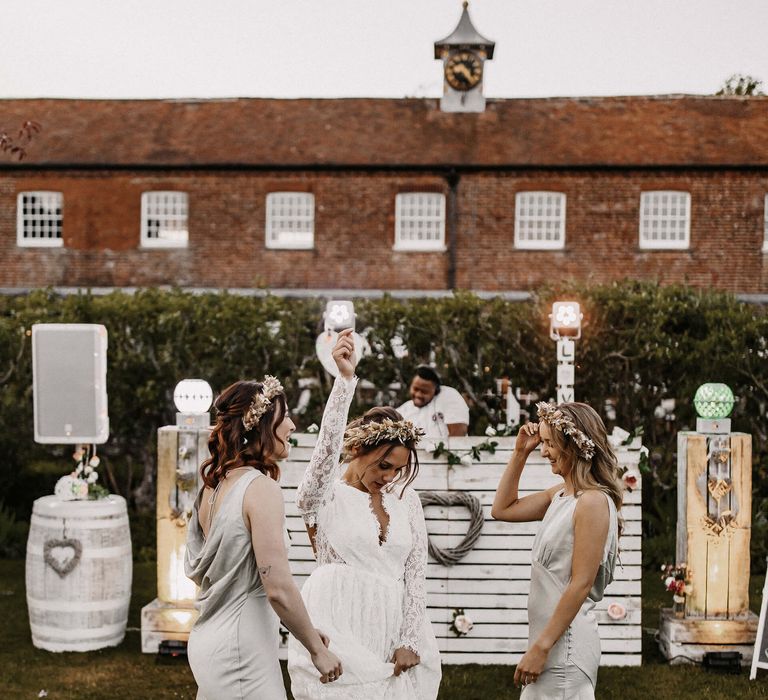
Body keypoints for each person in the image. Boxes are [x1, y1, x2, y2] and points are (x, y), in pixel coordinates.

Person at [288, 330, 442, 699]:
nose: (388, 477)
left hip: (392, 627)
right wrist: (344, 383)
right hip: (336, 618)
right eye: (382, 465)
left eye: (397, 469)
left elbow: (416, 574)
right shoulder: (324, 495)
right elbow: (325, 450)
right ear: (358, 449)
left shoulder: (406, 501)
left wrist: (410, 638)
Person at [184, 376, 343, 700]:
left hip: (209, 639)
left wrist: (309, 630)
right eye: (284, 417)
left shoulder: (212, 488)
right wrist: (316, 650)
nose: (292, 425)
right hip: (242, 651)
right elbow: (279, 589)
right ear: (259, 425)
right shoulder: (260, 489)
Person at [491, 401, 622, 699]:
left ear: (574, 446)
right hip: (549, 639)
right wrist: (519, 454)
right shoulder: (560, 496)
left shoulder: (592, 502)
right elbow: (502, 509)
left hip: (565, 645)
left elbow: (581, 582)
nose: (544, 450)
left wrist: (542, 647)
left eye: (550, 443)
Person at [397, 365, 469, 439]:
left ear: (436, 390)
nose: (418, 394)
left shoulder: (449, 396)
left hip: (446, 450)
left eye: (424, 391)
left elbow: (458, 436)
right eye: (415, 389)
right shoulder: (403, 409)